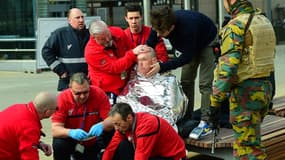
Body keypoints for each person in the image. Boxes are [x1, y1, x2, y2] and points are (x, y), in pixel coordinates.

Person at [208, 0, 276, 159]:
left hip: (246, 93)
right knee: (251, 143)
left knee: (247, 149)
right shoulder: (263, 20)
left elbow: (227, 69)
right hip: (265, 89)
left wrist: (214, 103)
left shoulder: (236, 25)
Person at [148, 6, 218, 139]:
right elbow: (151, 42)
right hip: (190, 43)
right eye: (155, 30)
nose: (157, 34)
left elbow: (186, 58)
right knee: (186, 80)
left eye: (161, 32)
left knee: (205, 83)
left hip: (207, 39)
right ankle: (187, 117)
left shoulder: (187, 29)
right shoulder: (159, 22)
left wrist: (161, 66)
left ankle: (206, 121)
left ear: (171, 28)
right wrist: (145, 51)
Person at [117, 46, 187, 129]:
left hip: (161, 129)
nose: (140, 64)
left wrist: (142, 116)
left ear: (154, 61)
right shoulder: (133, 83)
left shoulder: (169, 82)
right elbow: (121, 105)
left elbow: (172, 113)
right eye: (138, 60)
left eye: (144, 60)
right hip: (136, 128)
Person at [51, 72, 114, 160]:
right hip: (72, 139)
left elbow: (112, 120)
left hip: (93, 138)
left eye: (86, 92)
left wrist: (102, 125)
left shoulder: (99, 94)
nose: (82, 96)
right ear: (70, 89)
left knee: (113, 132)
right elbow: (55, 130)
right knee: (59, 144)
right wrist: (70, 132)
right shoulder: (62, 98)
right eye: (78, 93)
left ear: (89, 86)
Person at [85, 20, 148, 104]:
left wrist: (134, 68)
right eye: (103, 39)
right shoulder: (91, 52)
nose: (108, 40)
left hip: (126, 83)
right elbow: (115, 67)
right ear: (94, 38)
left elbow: (131, 48)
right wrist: (132, 54)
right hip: (107, 89)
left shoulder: (118, 32)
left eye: (108, 35)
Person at [102, 102, 187, 160]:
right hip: (154, 154)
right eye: (114, 124)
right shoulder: (124, 126)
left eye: (118, 124)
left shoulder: (147, 125)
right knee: (122, 146)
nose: (116, 128)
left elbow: (141, 156)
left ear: (129, 118)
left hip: (172, 157)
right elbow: (111, 149)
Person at [42, 8, 89, 91]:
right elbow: (46, 52)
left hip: (88, 82)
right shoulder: (60, 34)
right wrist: (60, 70)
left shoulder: (90, 35)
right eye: (77, 18)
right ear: (69, 20)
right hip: (68, 82)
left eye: (82, 17)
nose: (81, 20)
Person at [0, 92, 57, 159]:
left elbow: (13, 133)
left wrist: (38, 143)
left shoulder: (18, 107)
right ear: (47, 112)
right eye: (56, 109)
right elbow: (30, 157)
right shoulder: (30, 127)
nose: (56, 111)